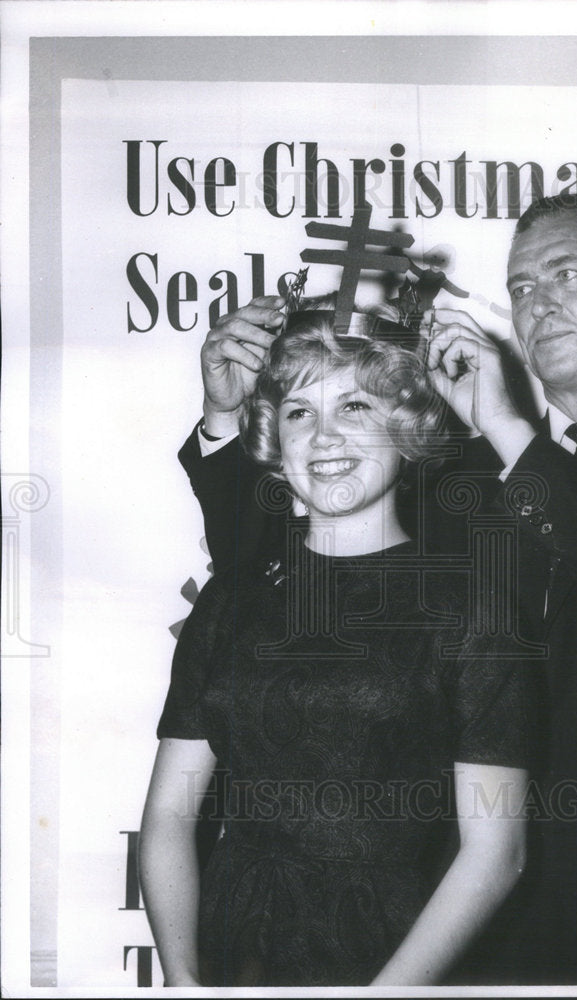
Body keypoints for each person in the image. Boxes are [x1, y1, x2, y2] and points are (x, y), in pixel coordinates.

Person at [177, 194, 577, 984]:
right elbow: (269, 581)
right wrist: (224, 416)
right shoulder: (449, 476)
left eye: (566, 275)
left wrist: (507, 429)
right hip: (480, 926)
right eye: (521, 286)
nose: (539, 303)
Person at [140, 309, 530, 987]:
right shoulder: (231, 601)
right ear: (275, 442)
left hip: (391, 952)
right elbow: (169, 819)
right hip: (232, 948)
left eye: (354, 405)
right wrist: (180, 980)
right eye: (299, 412)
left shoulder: (472, 609)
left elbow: (496, 853)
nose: (323, 436)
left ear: (406, 428)